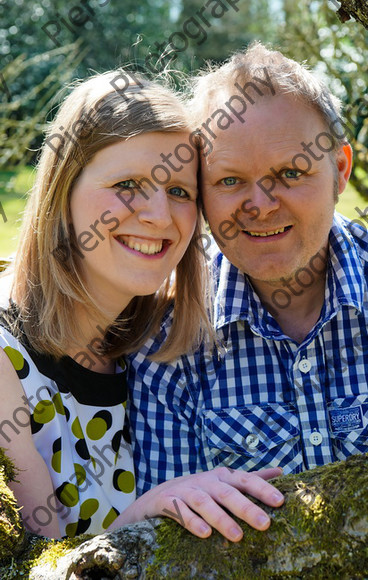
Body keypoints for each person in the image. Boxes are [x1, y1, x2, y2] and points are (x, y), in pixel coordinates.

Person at [129, 43, 368, 495]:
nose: (260, 206)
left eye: (290, 173)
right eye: (229, 180)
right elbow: (170, 545)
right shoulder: (167, 340)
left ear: (340, 170)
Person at [0, 70, 284, 541]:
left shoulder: (157, 338)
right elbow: (33, 567)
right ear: (63, 189)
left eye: (179, 191)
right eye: (127, 184)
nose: (157, 216)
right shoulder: (8, 363)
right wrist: (144, 516)